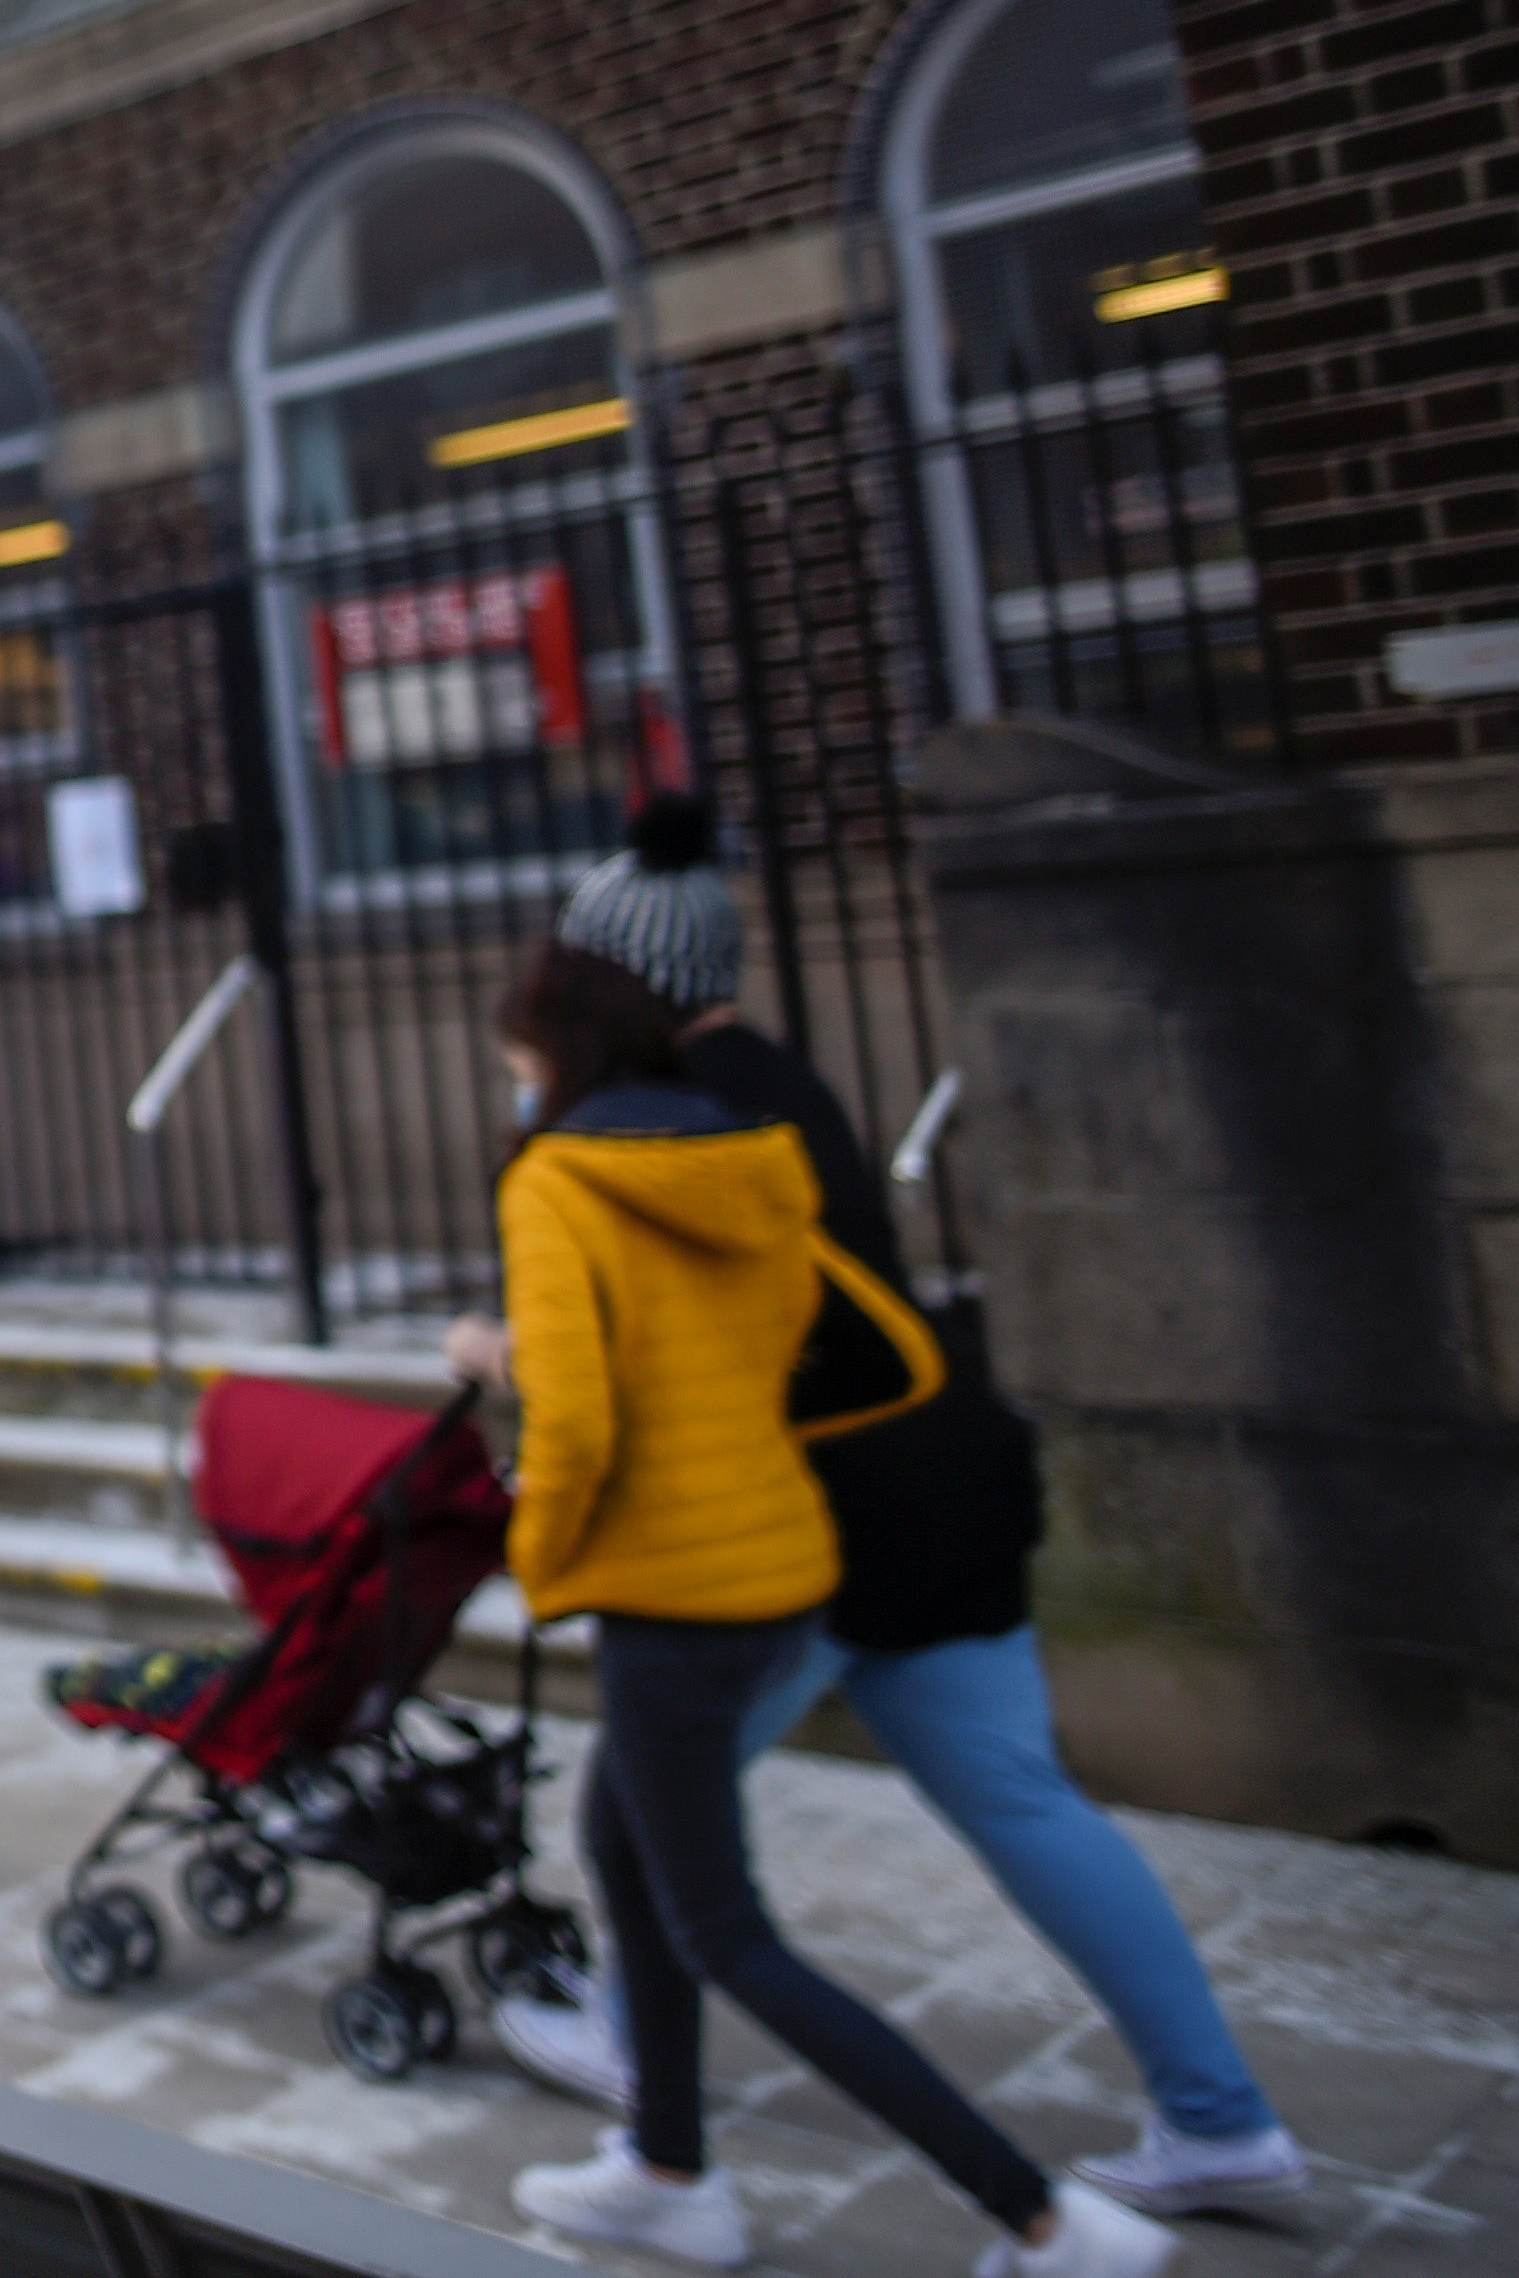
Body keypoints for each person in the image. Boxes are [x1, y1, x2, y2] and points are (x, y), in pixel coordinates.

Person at [491, 801, 1304, 2221]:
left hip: (809, 1528)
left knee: (649, 1821)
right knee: (1022, 1801)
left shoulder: (664, 1127)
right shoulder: (783, 1086)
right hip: (950, 1497)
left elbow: (677, 1366)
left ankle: (652, 2096)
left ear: (613, 985)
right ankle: (1219, 2116)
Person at [452, 939, 1167, 2277]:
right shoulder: (743, 1159)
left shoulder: (558, 1181)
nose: (515, 1091)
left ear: (555, 1062)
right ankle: (668, 2168)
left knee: (725, 1929)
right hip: (780, 1559)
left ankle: (1044, 2219)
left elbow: (580, 1416)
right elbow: (822, 1344)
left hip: (670, 1586)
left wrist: (541, 1546)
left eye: (516, 1069)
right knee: (623, 1842)